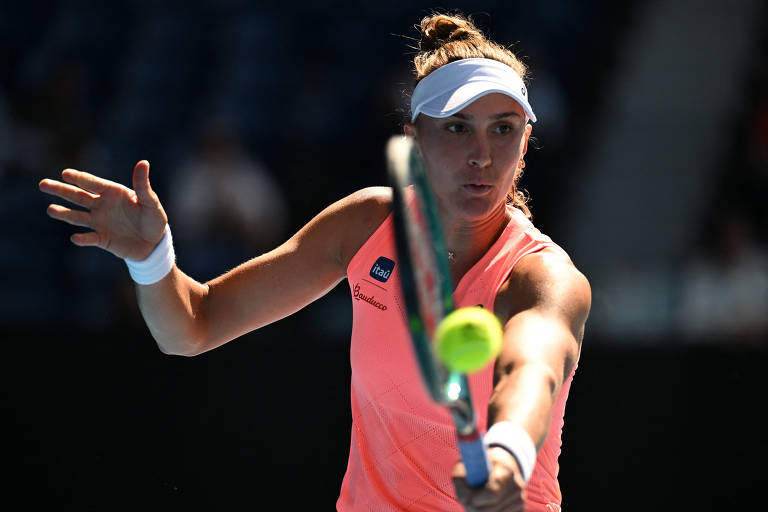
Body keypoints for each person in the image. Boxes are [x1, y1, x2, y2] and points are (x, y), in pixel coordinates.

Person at [39, 13, 590, 512]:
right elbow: (191, 326)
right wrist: (152, 261)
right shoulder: (367, 224)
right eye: (456, 127)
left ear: (525, 142)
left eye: (503, 128)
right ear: (413, 141)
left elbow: (531, 370)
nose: (482, 155)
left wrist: (506, 453)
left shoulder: (544, 277)